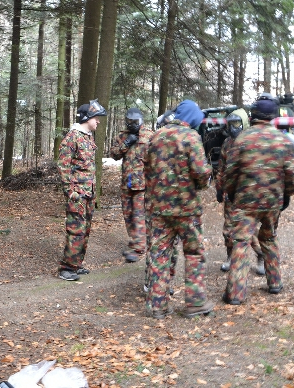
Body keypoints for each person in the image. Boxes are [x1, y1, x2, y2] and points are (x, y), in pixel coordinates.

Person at [222, 94, 294, 306]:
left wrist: (231, 193)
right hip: (272, 201)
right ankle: (275, 283)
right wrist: (286, 196)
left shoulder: (242, 139)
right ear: (273, 116)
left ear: (253, 115)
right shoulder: (283, 140)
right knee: (269, 238)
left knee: (241, 242)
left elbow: (230, 172)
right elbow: (290, 174)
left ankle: (235, 294)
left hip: (245, 201)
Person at [144, 100, 214, 319]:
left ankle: (158, 306)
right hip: (186, 209)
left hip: (159, 208)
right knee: (194, 252)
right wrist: (203, 182)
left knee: (159, 254)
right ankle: (195, 303)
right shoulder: (191, 137)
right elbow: (201, 172)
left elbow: (146, 167)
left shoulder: (155, 136)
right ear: (192, 118)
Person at [56, 100, 106, 281]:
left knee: (85, 230)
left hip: (88, 193)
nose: (98, 121)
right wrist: (70, 191)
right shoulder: (73, 137)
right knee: (76, 230)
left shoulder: (88, 137)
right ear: (87, 118)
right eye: (96, 118)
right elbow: (63, 165)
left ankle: (76, 264)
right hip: (77, 193)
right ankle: (66, 268)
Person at [215, 108, 265, 276]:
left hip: (247, 193)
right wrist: (219, 187)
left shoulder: (253, 141)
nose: (233, 128)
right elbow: (221, 168)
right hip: (230, 192)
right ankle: (230, 257)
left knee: (248, 229)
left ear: (244, 123)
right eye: (231, 124)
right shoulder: (227, 143)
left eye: (236, 124)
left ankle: (260, 255)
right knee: (228, 229)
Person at [108, 107, 153, 263]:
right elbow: (113, 154)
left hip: (143, 184)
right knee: (128, 215)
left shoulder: (149, 135)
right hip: (127, 183)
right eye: (130, 121)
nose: (133, 124)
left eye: (135, 121)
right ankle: (136, 241)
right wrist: (126, 143)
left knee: (139, 215)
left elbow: (157, 157)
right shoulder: (123, 136)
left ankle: (139, 248)